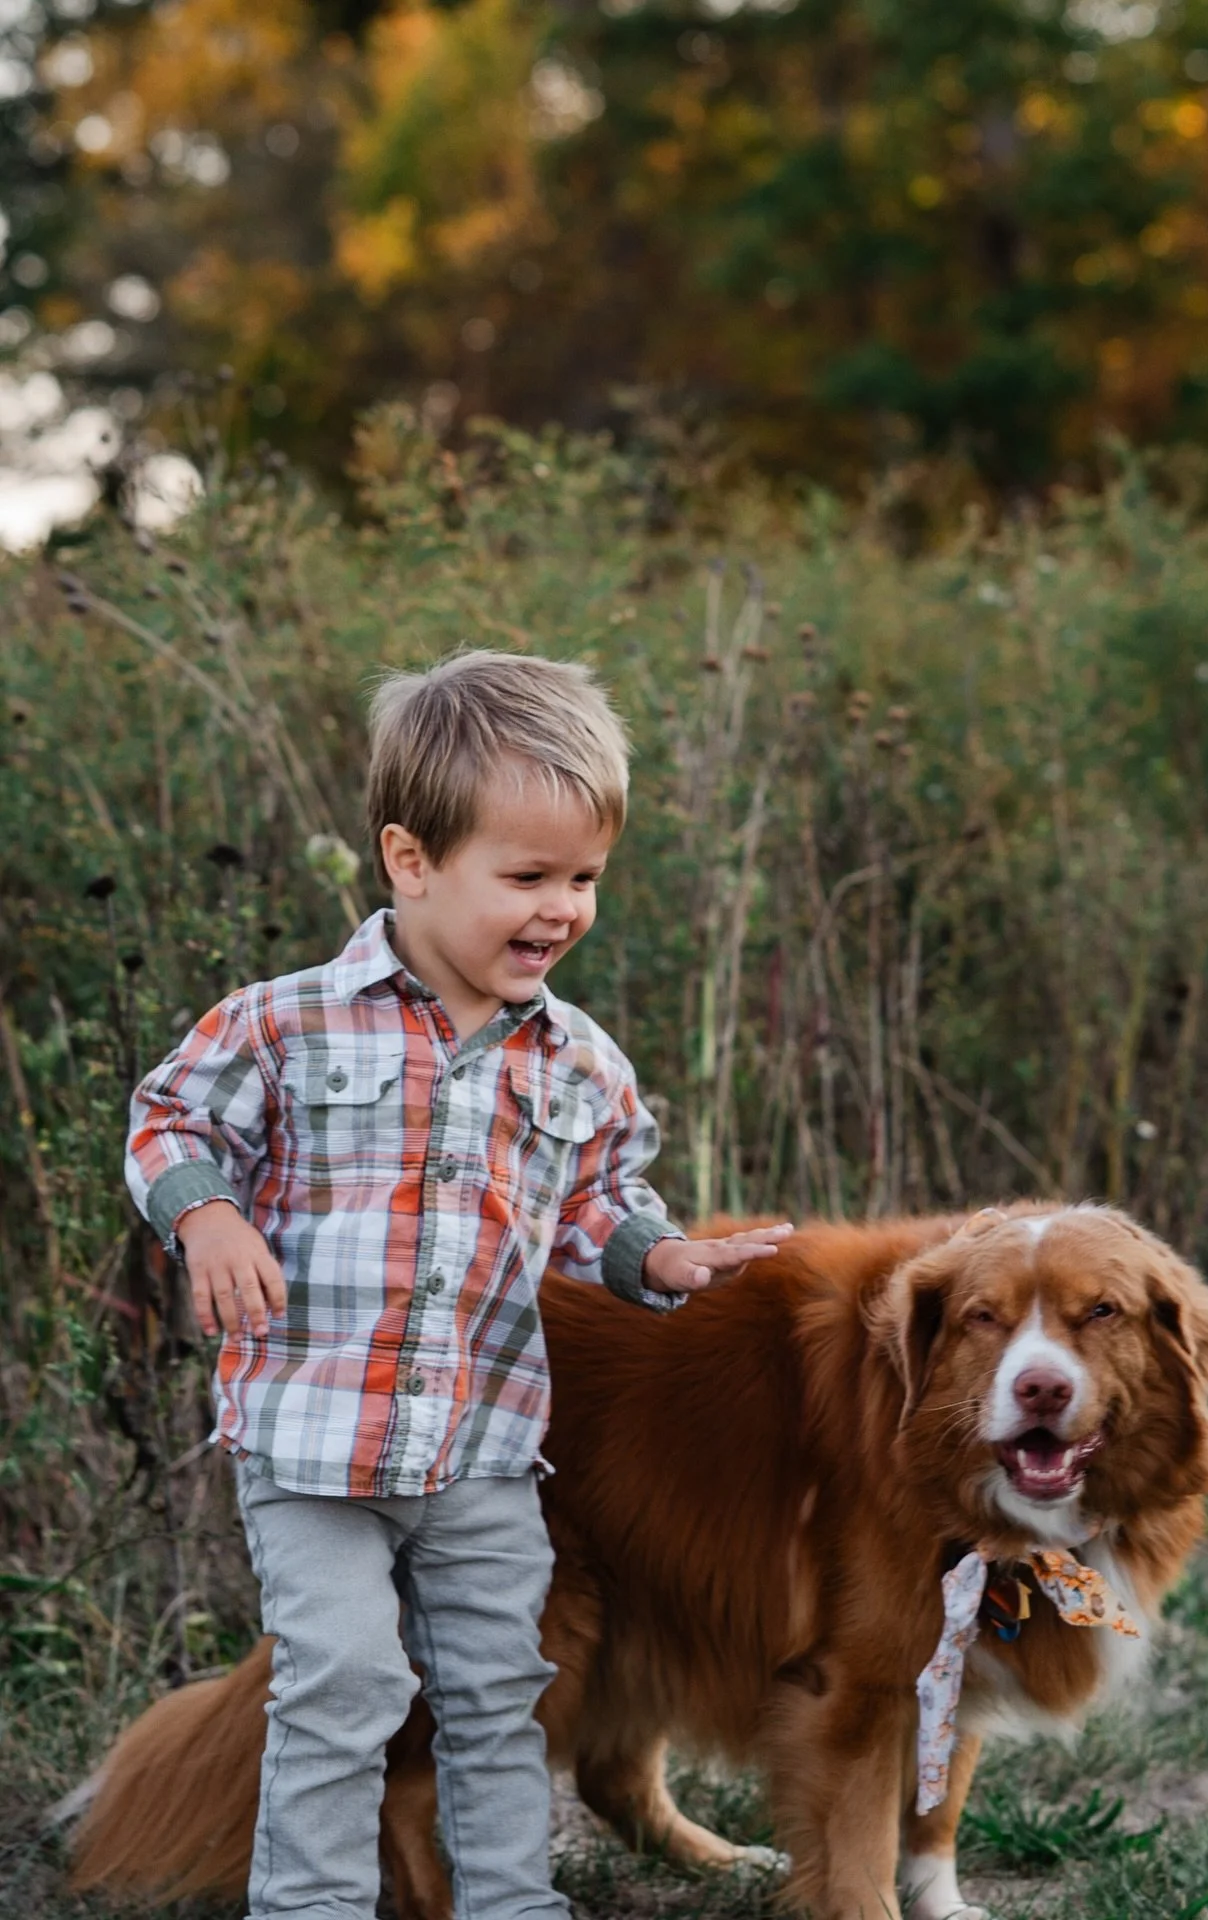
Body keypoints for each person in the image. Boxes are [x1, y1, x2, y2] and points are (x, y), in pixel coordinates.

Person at [124, 650, 792, 1920]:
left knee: (500, 1687)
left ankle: (510, 1900)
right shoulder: (285, 1024)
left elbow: (597, 1202)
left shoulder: (581, 1065)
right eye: (528, 877)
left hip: (485, 1449)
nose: (561, 909)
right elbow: (167, 1124)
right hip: (316, 1443)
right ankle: (311, 1905)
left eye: (584, 878)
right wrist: (205, 1216)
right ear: (412, 860)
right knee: (343, 1680)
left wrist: (658, 1254)